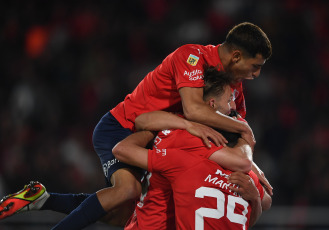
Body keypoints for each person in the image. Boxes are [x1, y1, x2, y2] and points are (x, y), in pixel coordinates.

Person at [0, 22, 272, 229]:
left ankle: (43, 200)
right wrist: (237, 131)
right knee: (126, 191)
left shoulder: (233, 90)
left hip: (156, 136)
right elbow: (194, 110)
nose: (256, 74)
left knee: (127, 215)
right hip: (123, 127)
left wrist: (253, 168)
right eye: (255, 66)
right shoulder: (192, 56)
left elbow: (235, 133)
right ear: (236, 57)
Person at [113, 68, 271, 229]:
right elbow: (244, 163)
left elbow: (264, 200)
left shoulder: (192, 142)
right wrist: (245, 133)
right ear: (212, 104)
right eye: (230, 99)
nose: (234, 107)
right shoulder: (185, 139)